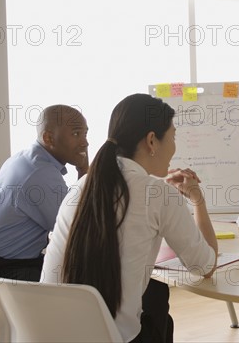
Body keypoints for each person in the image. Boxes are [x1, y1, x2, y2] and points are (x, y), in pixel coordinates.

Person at [40, 94, 218, 343]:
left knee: (154, 297)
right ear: (152, 141)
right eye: (173, 137)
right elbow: (205, 266)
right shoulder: (158, 195)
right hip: (110, 338)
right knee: (159, 312)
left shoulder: (81, 187)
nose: (175, 147)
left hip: (46, 332)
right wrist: (197, 199)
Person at [0, 104, 89, 314]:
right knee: (93, 283)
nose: (85, 142)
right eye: (76, 134)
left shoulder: (25, 158)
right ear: (48, 138)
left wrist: (84, 169)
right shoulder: (40, 174)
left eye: (85, 133)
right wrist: (85, 171)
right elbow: (78, 230)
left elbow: (73, 217)